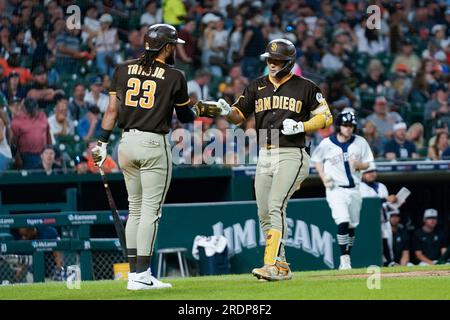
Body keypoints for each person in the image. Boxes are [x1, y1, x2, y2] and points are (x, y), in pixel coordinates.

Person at [91, 24, 222, 290]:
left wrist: (101, 142)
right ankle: (142, 276)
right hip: (153, 143)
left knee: (135, 210)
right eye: (174, 45)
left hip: (125, 143)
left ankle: (134, 275)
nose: (177, 48)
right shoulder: (175, 76)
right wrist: (206, 109)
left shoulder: (122, 68)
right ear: (167, 47)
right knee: (151, 211)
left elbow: (112, 111)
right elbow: (185, 117)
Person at [213, 39, 333, 280]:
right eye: (269, 59)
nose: (272, 63)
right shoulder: (257, 85)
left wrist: (302, 125)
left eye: (277, 60)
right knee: (264, 211)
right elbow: (239, 115)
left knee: (276, 204)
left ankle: (271, 264)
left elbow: (326, 117)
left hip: (292, 153)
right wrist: (227, 112)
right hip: (265, 153)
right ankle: (282, 266)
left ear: (289, 62)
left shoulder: (306, 87)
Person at [311, 111, 374, 269]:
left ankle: (347, 255)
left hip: (355, 189)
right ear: (339, 126)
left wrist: (359, 165)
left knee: (352, 225)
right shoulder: (327, 143)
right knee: (343, 221)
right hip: (335, 189)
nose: (348, 129)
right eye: (346, 125)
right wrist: (323, 177)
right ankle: (344, 258)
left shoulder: (360, 142)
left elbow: (369, 163)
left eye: (351, 126)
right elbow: (317, 160)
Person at [359, 163, 399, 266]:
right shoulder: (360, 186)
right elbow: (369, 202)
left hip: (385, 221)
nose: (371, 174)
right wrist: (386, 199)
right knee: (376, 246)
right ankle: (385, 263)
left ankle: (390, 263)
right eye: (367, 172)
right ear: (362, 175)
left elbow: (386, 205)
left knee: (388, 245)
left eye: (373, 171)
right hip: (370, 223)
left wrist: (395, 203)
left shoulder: (381, 186)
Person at [11, 98, 51, 169]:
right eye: (30, 110)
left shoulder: (43, 116)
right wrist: (17, 157)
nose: (32, 112)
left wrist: (50, 149)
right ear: (24, 109)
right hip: (26, 156)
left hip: (43, 154)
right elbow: (14, 143)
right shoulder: (17, 121)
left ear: (37, 107)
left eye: (33, 109)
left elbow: (48, 134)